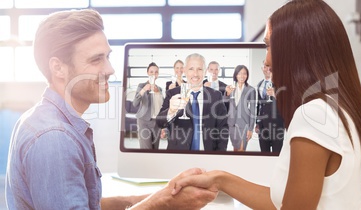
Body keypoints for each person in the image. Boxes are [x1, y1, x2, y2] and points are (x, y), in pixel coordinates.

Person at [171, 0, 361, 209]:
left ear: (296, 50)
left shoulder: (314, 115)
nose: (267, 60)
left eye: (269, 46)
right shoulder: (338, 108)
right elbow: (285, 201)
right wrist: (219, 179)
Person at [5, 9, 216, 210]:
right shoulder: (54, 139)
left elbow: (90, 204)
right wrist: (162, 204)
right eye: (96, 59)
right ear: (58, 67)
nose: (110, 69)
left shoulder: (45, 119)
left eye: (107, 56)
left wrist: (166, 194)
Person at [156, 53, 229, 151]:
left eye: (199, 69)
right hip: (179, 153)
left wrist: (220, 154)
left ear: (205, 71)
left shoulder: (216, 96)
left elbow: (223, 128)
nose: (195, 74)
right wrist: (171, 111)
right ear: (185, 70)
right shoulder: (172, 93)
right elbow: (160, 122)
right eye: (191, 69)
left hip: (208, 153)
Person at [224, 65, 256, 151]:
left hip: (244, 124)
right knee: (235, 149)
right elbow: (225, 103)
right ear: (236, 75)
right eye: (239, 73)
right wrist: (227, 94)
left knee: (241, 150)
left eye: (244, 73)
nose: (242, 76)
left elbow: (253, 110)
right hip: (232, 124)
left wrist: (250, 129)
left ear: (247, 75)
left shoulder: (251, 90)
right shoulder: (230, 88)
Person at [255, 60, 285, 153]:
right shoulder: (259, 84)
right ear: (262, 69)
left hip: (277, 126)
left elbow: (286, 103)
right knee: (264, 154)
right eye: (265, 66)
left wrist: (275, 95)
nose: (267, 69)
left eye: (269, 66)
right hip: (262, 127)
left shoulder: (281, 84)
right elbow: (260, 105)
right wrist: (258, 122)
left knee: (276, 155)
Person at [133, 62, 164, 149]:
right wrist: (143, 90)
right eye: (151, 72)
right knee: (146, 149)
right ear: (147, 73)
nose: (154, 74)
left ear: (158, 74)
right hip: (144, 122)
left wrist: (162, 125)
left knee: (155, 149)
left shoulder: (160, 89)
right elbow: (135, 103)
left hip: (157, 123)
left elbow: (163, 107)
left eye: (156, 72)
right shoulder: (141, 85)